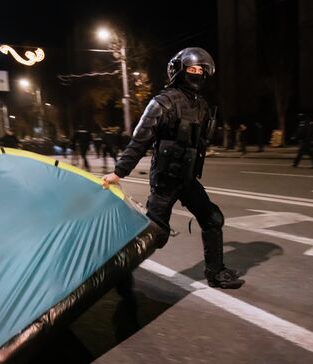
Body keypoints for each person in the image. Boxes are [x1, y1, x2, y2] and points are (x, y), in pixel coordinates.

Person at [102, 47, 244, 289]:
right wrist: (118, 173)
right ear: (179, 71)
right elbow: (140, 141)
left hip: (187, 180)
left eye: (201, 70)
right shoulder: (162, 102)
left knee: (213, 218)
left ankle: (216, 272)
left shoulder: (201, 105)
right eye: (192, 69)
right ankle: (111, 273)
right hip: (166, 181)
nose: (197, 73)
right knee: (156, 234)